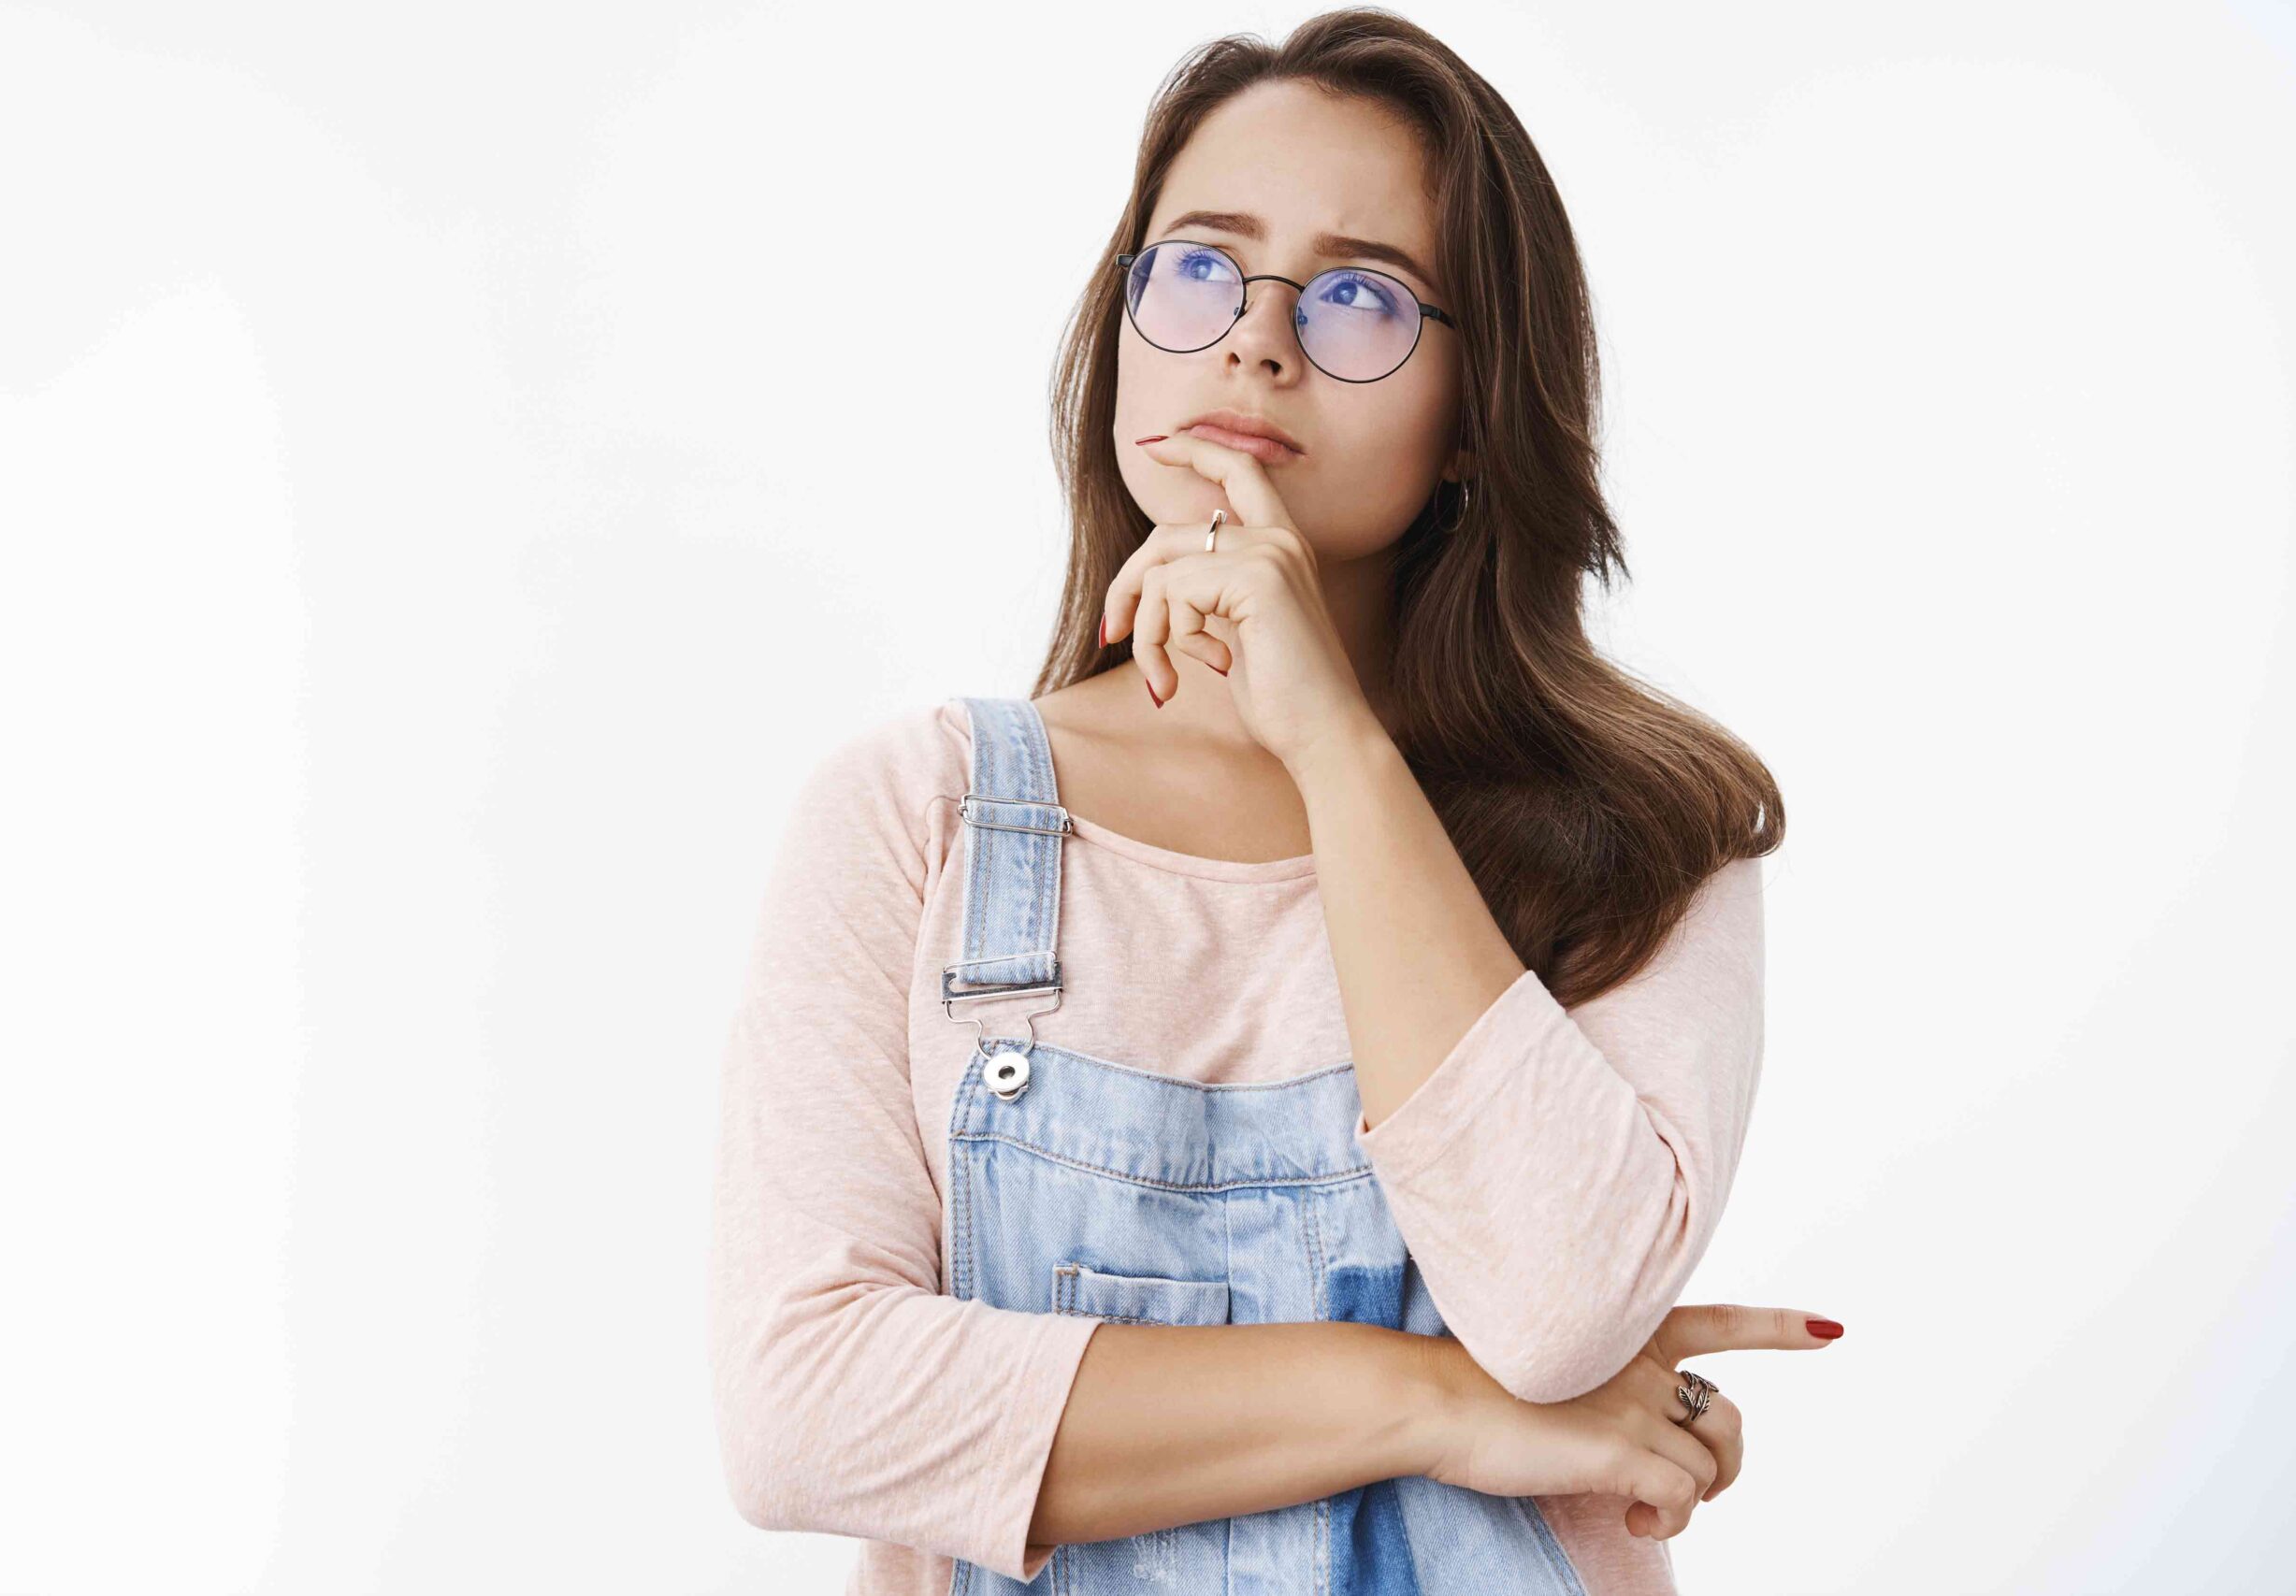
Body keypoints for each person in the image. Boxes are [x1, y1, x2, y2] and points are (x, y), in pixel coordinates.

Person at [709, 11, 1839, 1592]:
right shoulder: (920, 819)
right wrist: (1434, 1402)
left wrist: (1337, 751)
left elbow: (1561, 1305)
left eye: (1362, 294)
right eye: (1197, 268)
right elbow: (805, 1414)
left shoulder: (1650, 834)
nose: (1254, 340)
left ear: (1473, 408)